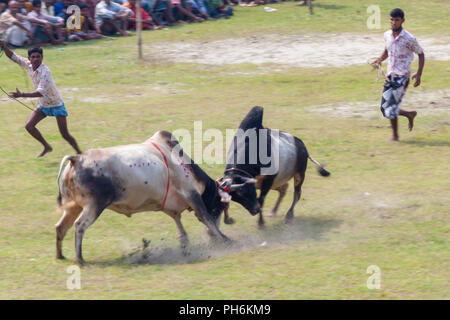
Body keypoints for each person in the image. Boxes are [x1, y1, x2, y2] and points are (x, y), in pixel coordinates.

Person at [0, 41, 82, 157]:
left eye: (38, 57)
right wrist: (4, 46)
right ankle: (46, 146)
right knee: (29, 126)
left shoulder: (45, 72)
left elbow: (40, 92)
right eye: (33, 57)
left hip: (56, 104)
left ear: (42, 58)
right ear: (29, 58)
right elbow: (12, 56)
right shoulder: (27, 64)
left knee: (64, 134)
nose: (36, 59)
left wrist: (21, 95)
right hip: (43, 105)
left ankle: (80, 152)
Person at [372, 8, 425, 141]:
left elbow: (421, 53)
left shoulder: (409, 38)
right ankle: (409, 114)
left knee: (391, 108)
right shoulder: (387, 35)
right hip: (390, 75)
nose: (394, 22)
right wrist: (379, 60)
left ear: (402, 20)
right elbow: (387, 51)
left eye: (397, 20)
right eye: (392, 19)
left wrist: (418, 74)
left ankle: (395, 136)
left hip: (403, 76)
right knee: (385, 109)